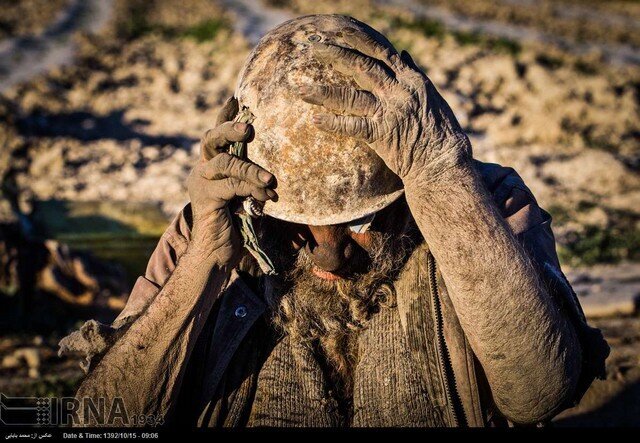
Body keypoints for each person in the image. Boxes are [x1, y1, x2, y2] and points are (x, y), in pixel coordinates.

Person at [60, 15, 609, 427]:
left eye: (357, 220)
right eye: (298, 224)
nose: (329, 253)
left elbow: (541, 389)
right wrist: (203, 264)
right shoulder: (211, 227)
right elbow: (99, 423)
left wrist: (441, 176)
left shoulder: (479, 199)